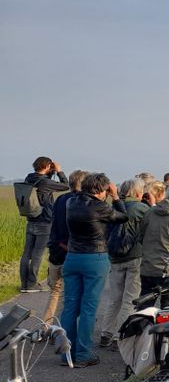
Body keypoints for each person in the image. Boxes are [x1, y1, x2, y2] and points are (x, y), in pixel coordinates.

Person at [62, 172, 128, 367]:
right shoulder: (101, 207)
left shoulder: (70, 203)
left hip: (72, 256)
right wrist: (116, 196)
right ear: (102, 190)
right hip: (94, 257)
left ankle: (67, 354)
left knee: (70, 307)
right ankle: (83, 355)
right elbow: (123, 217)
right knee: (88, 309)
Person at [97, 178, 150, 348]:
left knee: (114, 298)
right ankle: (120, 335)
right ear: (138, 192)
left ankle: (106, 333)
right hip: (135, 256)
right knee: (130, 298)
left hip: (115, 257)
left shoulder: (111, 207)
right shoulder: (142, 209)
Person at [42, 169, 87, 323]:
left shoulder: (60, 199)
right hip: (73, 253)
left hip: (56, 251)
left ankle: (45, 326)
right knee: (71, 295)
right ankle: (63, 328)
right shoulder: (83, 202)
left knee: (54, 292)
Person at [20, 156, 70, 292]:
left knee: (27, 252)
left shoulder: (29, 178)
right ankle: (32, 284)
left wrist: (50, 172)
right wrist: (59, 171)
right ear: (47, 166)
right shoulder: (45, 182)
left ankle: (24, 283)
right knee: (37, 253)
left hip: (31, 219)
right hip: (44, 220)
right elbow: (66, 185)